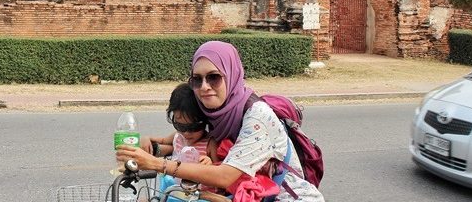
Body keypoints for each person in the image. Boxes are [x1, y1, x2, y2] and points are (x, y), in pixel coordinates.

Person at [117, 41, 325, 201]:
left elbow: (225, 176)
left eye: (214, 77)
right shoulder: (214, 109)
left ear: (231, 74)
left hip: (285, 197)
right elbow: (187, 138)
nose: (205, 86)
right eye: (197, 80)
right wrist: (152, 146)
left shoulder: (257, 117)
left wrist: (156, 163)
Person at [142, 83, 215, 165]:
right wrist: (146, 139)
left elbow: (219, 170)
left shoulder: (210, 144)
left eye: (193, 127)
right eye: (181, 126)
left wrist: (210, 163)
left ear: (205, 120)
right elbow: (162, 140)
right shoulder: (178, 136)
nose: (186, 133)